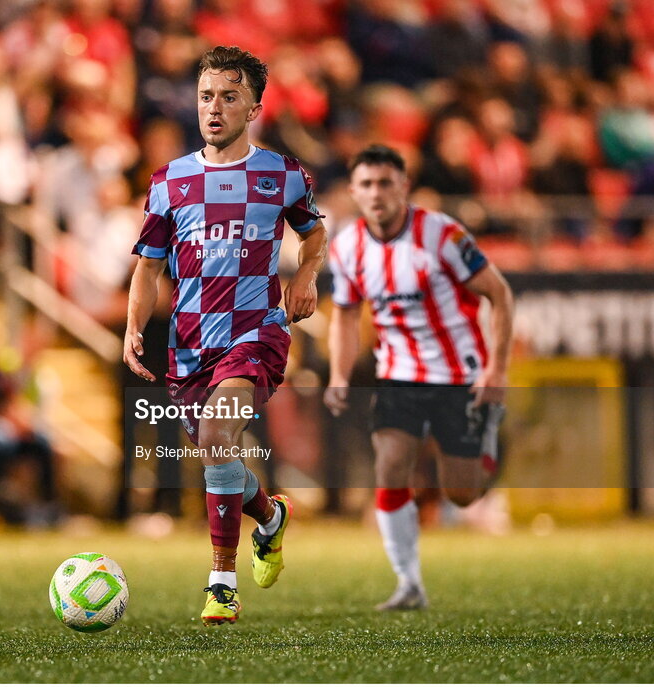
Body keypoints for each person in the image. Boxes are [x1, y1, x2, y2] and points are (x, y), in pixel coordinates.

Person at [124, 46, 327, 625]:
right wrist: (133, 329)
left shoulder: (282, 175)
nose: (215, 108)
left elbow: (316, 237)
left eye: (229, 97)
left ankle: (221, 583)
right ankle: (270, 517)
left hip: (255, 333)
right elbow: (147, 268)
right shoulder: (169, 182)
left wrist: (307, 275)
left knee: (217, 434)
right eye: (207, 96)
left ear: (254, 106)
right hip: (190, 347)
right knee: (218, 456)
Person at [323, 144, 513, 610]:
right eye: (366, 184)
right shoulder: (346, 246)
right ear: (353, 192)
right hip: (399, 373)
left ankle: (483, 444)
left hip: (457, 374)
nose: (376, 193)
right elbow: (346, 316)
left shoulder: (442, 235)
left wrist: (497, 367)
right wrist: (339, 374)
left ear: (403, 187)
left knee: (462, 494)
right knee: (389, 467)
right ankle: (409, 583)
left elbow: (500, 294)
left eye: (386, 182)